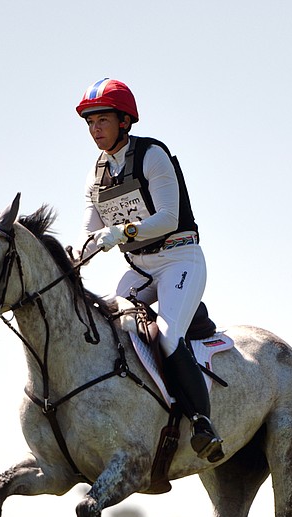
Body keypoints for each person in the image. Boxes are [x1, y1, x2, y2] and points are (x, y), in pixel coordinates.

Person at [76, 77, 224, 463]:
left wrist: (120, 231)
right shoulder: (98, 173)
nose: (95, 130)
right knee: (112, 326)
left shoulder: (152, 155)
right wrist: (71, 255)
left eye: (102, 120)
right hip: (140, 269)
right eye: (90, 123)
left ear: (125, 121)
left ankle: (202, 421)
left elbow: (168, 217)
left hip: (180, 259)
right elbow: (89, 233)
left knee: (168, 337)